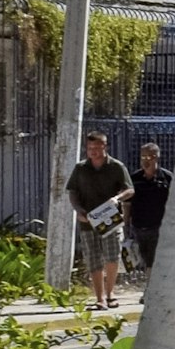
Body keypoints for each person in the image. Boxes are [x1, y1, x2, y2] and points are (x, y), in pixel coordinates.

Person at [65, 130, 131, 307]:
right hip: (88, 220)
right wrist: (78, 210)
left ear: (105, 147)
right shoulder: (80, 168)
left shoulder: (116, 166)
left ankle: (110, 294)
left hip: (110, 219)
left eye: (97, 147)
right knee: (93, 259)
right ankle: (99, 298)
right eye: (90, 148)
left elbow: (129, 190)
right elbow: (73, 192)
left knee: (112, 256)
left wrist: (117, 198)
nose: (93, 151)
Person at [125, 138, 173, 274]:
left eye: (150, 157)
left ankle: (150, 291)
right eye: (143, 156)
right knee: (143, 262)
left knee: (154, 261)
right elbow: (127, 204)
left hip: (158, 227)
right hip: (138, 227)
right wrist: (126, 225)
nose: (146, 160)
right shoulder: (134, 178)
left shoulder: (167, 178)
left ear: (157, 157)